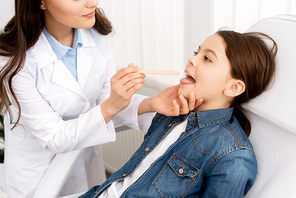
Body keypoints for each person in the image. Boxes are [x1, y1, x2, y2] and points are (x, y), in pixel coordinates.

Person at [0, 0, 202, 197]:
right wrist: (110, 105)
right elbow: (56, 136)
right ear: (41, 3)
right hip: (38, 172)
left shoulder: (96, 33)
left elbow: (107, 99)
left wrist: (150, 103)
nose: (93, 3)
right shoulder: (15, 60)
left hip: (85, 161)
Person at [79, 29, 277, 198]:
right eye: (196, 53)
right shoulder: (171, 115)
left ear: (233, 87)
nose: (191, 59)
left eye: (207, 58)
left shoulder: (233, 157)